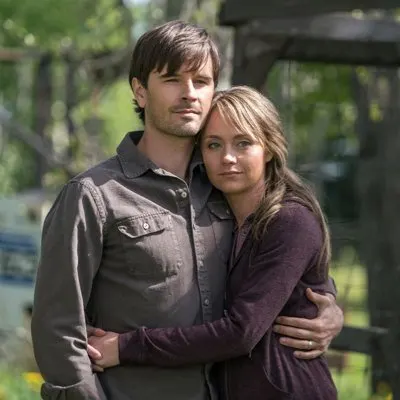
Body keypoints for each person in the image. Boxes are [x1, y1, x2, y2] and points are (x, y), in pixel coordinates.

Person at [31, 21, 343, 400]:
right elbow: (58, 328)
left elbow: (285, 262)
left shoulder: (226, 185)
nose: (189, 94)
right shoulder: (93, 196)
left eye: (201, 80)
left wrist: (328, 310)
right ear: (140, 91)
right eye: (172, 80)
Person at [88, 86, 338, 399]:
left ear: (269, 148)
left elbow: (241, 333)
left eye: (243, 143)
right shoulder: (215, 212)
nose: (228, 158)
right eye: (214, 144)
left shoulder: (290, 220)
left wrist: (125, 347)